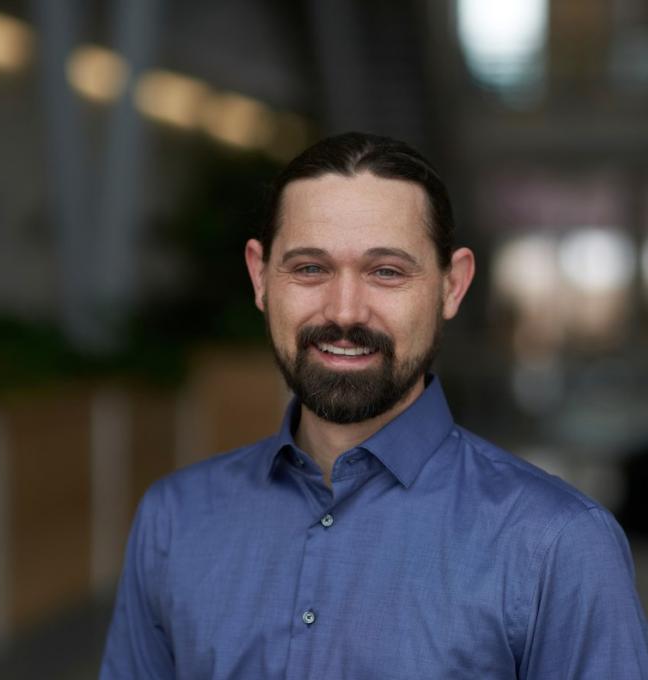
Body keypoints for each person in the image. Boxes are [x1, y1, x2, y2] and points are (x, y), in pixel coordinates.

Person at [100, 132, 648, 679]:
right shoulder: (174, 520)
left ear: (451, 286)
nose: (344, 312)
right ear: (260, 276)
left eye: (386, 271)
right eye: (310, 268)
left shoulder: (559, 546)